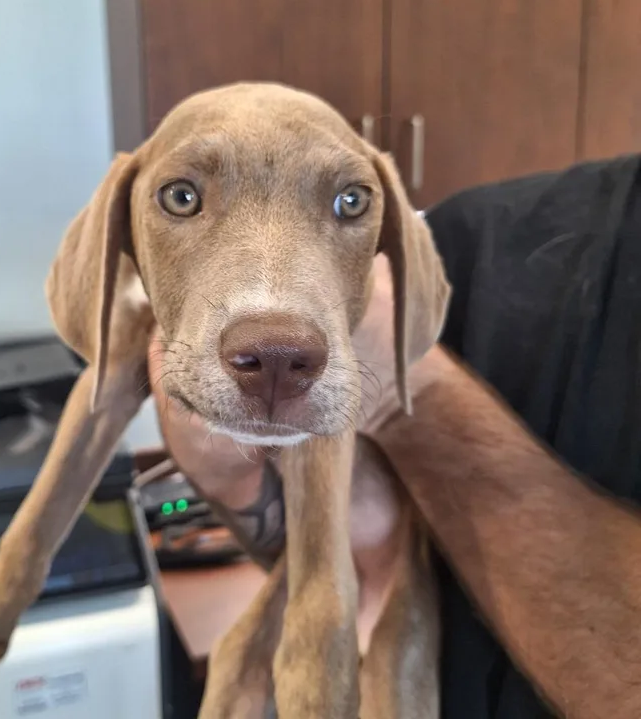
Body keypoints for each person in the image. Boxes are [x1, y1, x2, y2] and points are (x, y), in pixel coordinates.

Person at [148, 153, 641, 719]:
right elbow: (347, 549)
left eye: (349, 204)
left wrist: (414, 392)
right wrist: (231, 483)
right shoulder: (467, 236)